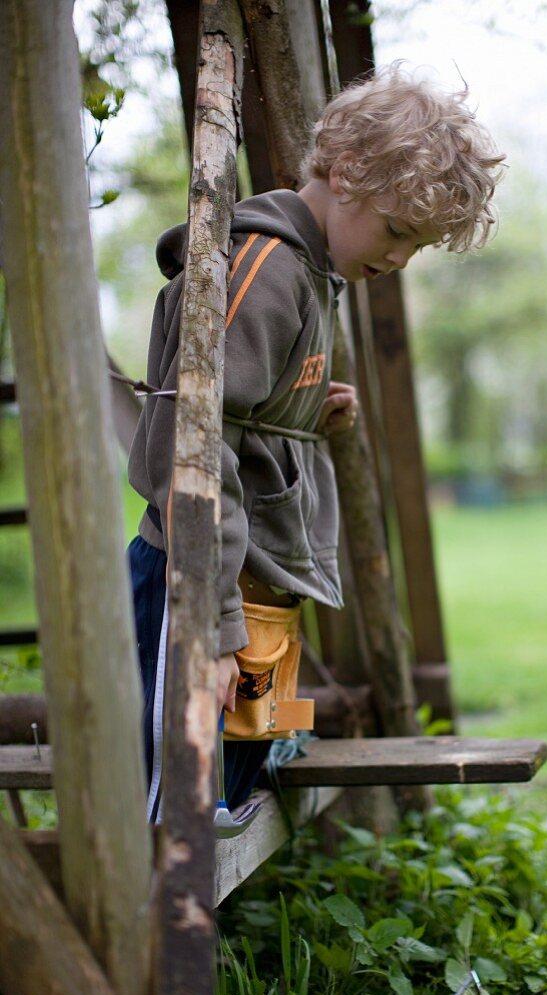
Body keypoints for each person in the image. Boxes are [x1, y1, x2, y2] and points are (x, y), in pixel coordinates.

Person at [127, 64, 505, 820]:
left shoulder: (307, 272)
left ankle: (207, 938)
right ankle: (135, 941)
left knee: (224, 799)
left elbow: (243, 413)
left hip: (252, 586)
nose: (397, 259)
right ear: (346, 169)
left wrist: (304, 417)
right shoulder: (265, 271)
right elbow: (194, 446)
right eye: (397, 231)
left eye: (416, 247)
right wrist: (215, 627)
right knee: (174, 815)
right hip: (201, 582)